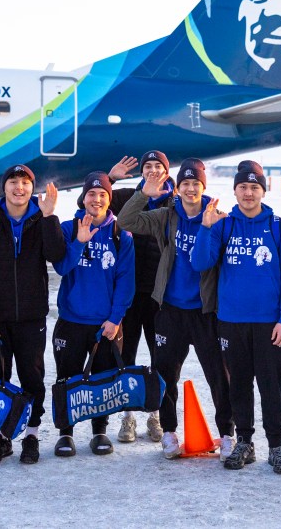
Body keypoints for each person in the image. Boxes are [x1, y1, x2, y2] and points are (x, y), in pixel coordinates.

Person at [116, 158, 235, 460]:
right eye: (186, 184)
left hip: (205, 311)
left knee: (219, 376)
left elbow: (207, 262)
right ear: (177, 188)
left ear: (203, 186)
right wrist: (143, 192)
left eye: (196, 184)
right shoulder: (166, 215)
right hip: (170, 309)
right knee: (165, 374)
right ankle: (169, 432)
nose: (191, 189)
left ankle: (227, 434)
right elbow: (127, 221)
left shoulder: (218, 217)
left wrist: (209, 228)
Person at [190, 160, 281, 474]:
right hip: (231, 320)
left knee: (270, 385)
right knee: (238, 384)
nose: (249, 193)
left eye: (255, 187)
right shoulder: (224, 224)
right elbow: (200, 263)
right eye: (243, 187)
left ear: (263, 191)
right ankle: (245, 442)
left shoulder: (279, 227)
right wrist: (206, 227)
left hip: (269, 323)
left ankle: (276, 446)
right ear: (235, 190)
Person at [0, 164, 65, 465]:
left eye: (25, 183)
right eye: (13, 182)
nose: (19, 188)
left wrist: (49, 216)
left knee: (32, 377)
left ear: (31, 189)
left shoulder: (42, 219)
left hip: (32, 317)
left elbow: (56, 255)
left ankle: (32, 434)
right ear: (4, 188)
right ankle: (3, 436)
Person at [52, 171, 135, 457]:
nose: (97, 199)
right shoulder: (68, 227)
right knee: (68, 377)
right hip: (72, 320)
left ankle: (100, 430)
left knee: (103, 379)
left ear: (109, 199)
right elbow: (62, 268)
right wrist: (79, 242)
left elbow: (125, 280)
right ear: (83, 197)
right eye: (91, 194)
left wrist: (115, 318)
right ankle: (66, 433)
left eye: (102, 195)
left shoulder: (121, 235)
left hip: (105, 324)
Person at [107, 151, 175, 444]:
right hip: (130, 295)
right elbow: (88, 201)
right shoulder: (124, 197)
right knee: (126, 357)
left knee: (162, 359)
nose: (151, 171)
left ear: (167, 172)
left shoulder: (176, 202)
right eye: (147, 166)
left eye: (157, 166)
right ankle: (127, 416)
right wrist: (109, 179)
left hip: (161, 296)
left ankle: (156, 413)